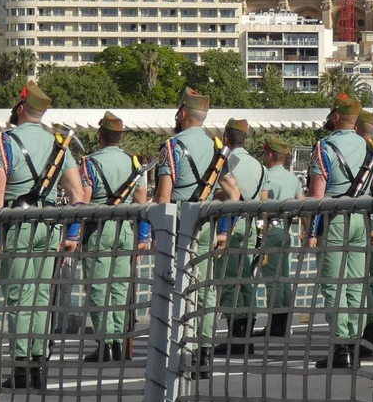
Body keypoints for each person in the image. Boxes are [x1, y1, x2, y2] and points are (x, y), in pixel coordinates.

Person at [0, 82, 86, 389]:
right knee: (42, 297)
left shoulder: (4, 142)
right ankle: (39, 366)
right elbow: (77, 195)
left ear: (19, 109)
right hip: (50, 225)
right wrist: (73, 233)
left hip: (17, 225)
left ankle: (20, 368)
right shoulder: (58, 146)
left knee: (18, 298)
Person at [155, 89, 222, 375]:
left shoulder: (172, 146)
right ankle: (204, 350)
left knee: (180, 285)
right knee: (205, 285)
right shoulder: (217, 148)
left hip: (182, 221)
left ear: (183, 113)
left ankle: (185, 349)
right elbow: (231, 191)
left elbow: (162, 196)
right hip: (208, 220)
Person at [307, 92, 373, 370]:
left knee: (334, 284)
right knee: (356, 284)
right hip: (363, 219)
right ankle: (355, 342)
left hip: (335, 218)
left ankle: (340, 347)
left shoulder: (323, 147)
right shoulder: (371, 148)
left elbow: (316, 195)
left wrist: (311, 231)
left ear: (336, 116)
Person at [79, 112, 150, 364]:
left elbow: (83, 199)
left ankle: (105, 343)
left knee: (99, 287)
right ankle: (119, 342)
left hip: (99, 228)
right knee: (120, 287)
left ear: (100, 135)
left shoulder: (89, 162)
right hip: (127, 228)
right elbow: (142, 202)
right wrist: (144, 236)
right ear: (120, 137)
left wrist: (74, 233)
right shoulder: (133, 162)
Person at [240, 136, 304, 347]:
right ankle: (283, 323)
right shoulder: (292, 179)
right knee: (284, 277)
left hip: (269, 229)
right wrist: (305, 229)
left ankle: (275, 325)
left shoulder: (265, 175)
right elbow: (303, 204)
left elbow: (263, 202)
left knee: (271, 279)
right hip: (286, 231)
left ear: (269, 155)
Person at [213, 118, 265, 351]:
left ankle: (235, 333)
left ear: (226, 138)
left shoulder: (226, 162)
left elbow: (222, 193)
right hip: (251, 226)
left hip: (230, 224)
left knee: (229, 280)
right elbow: (264, 197)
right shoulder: (259, 165)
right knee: (245, 278)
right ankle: (247, 330)